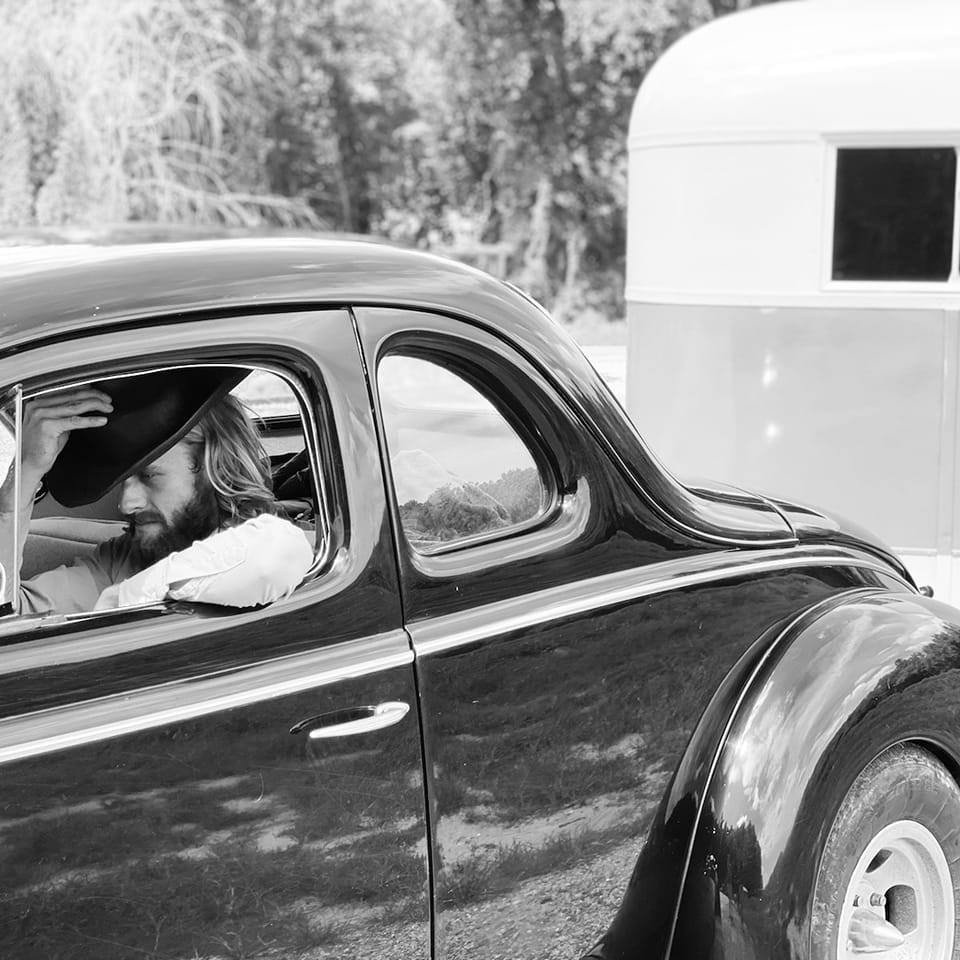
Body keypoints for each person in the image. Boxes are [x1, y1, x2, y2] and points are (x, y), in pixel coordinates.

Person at [0, 375, 313, 615]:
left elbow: (273, 557)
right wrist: (26, 473)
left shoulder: (282, 543)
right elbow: (15, 616)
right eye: (124, 480)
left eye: (149, 475)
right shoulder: (123, 558)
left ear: (214, 468)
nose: (126, 503)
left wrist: (124, 597)